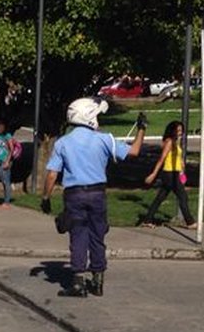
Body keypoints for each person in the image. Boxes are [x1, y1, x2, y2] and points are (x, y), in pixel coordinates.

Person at [41, 97, 147, 297]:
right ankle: (98, 280)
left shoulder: (63, 143)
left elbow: (53, 173)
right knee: (98, 235)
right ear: (89, 117)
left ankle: (78, 282)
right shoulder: (104, 139)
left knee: (78, 235)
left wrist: (46, 197)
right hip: (98, 193)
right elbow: (133, 151)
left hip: (74, 195)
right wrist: (141, 129)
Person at [140, 120, 195, 229]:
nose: (180, 132)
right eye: (178, 130)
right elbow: (162, 159)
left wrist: (181, 165)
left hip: (174, 172)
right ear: (172, 131)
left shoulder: (175, 141)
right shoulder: (169, 142)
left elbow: (176, 156)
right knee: (182, 196)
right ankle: (190, 222)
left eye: (181, 130)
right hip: (169, 174)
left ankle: (147, 220)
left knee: (160, 197)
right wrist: (153, 174)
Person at [0, 120, 15, 208]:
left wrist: (7, 161)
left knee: (6, 181)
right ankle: (5, 199)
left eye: (1, 127)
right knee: (3, 180)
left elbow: (11, 149)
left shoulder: (7, 136)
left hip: (6, 160)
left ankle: (7, 201)